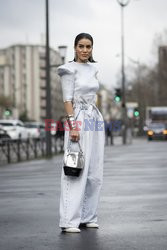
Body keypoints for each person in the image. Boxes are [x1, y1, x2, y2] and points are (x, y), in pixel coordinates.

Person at [57, 33, 105, 233]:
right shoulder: (68, 69)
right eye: (81, 46)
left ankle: (88, 216)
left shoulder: (94, 69)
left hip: (94, 118)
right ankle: (69, 220)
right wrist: (73, 125)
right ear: (75, 47)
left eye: (88, 46)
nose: (85, 50)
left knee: (95, 170)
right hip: (77, 118)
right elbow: (67, 100)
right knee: (75, 168)